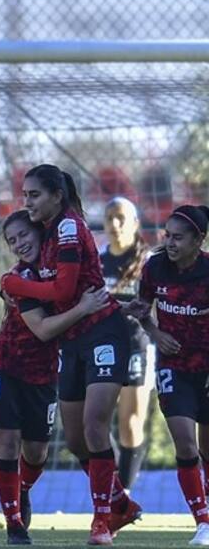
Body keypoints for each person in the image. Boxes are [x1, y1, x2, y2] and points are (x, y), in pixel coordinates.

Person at [0, 164, 141, 545]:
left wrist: (14, 282)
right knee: (77, 441)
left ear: (56, 196)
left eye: (34, 195)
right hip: (71, 341)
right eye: (24, 194)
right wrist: (14, 281)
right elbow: (49, 291)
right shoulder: (45, 233)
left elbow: (62, 292)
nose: (26, 201)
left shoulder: (66, 227)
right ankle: (120, 503)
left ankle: (102, 521)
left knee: (96, 426)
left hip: (103, 332)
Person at [0, 209, 110, 545]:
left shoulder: (64, 273)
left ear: (40, 233)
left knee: (36, 453)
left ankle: (21, 488)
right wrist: (83, 308)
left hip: (43, 375)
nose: (19, 243)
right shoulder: (21, 278)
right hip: (4, 365)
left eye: (24, 235)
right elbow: (41, 330)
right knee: (7, 443)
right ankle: (14, 525)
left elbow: (80, 295)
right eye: (12, 240)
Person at [129, 204, 209, 546]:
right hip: (172, 368)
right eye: (167, 235)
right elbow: (141, 309)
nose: (170, 242)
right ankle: (203, 522)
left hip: (206, 369)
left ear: (198, 240)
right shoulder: (155, 267)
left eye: (178, 237)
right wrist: (155, 332)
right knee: (185, 442)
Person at [100, 197, 154, 491]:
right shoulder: (96, 261)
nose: (114, 224)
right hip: (102, 348)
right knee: (92, 422)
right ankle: (115, 490)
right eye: (109, 218)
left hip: (138, 346)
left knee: (130, 421)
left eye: (121, 217)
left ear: (135, 223)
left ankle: (124, 493)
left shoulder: (150, 264)